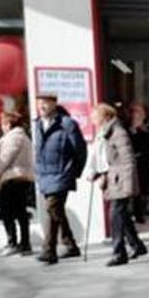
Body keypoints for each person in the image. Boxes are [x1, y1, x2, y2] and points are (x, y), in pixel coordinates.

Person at [86, 103, 147, 267]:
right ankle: (137, 245)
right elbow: (103, 158)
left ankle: (119, 253)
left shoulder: (117, 132)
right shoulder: (104, 133)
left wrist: (128, 186)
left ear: (104, 116)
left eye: (94, 116)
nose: (92, 119)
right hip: (113, 179)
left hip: (120, 180)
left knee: (115, 215)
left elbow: (128, 159)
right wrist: (95, 173)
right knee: (122, 215)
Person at [33, 93, 87, 265]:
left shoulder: (67, 124)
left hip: (62, 173)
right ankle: (70, 244)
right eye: (39, 104)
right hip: (45, 174)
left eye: (45, 104)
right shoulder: (37, 124)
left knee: (52, 206)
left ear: (54, 104)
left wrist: (74, 171)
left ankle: (49, 250)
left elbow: (80, 150)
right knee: (55, 210)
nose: (41, 107)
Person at [0, 108, 36, 255]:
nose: (1, 127)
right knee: (20, 211)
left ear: (8, 124)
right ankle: (25, 243)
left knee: (8, 212)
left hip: (12, 178)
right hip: (23, 177)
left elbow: (4, 159)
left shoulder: (13, 137)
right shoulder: (24, 136)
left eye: (2, 123)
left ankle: (12, 242)